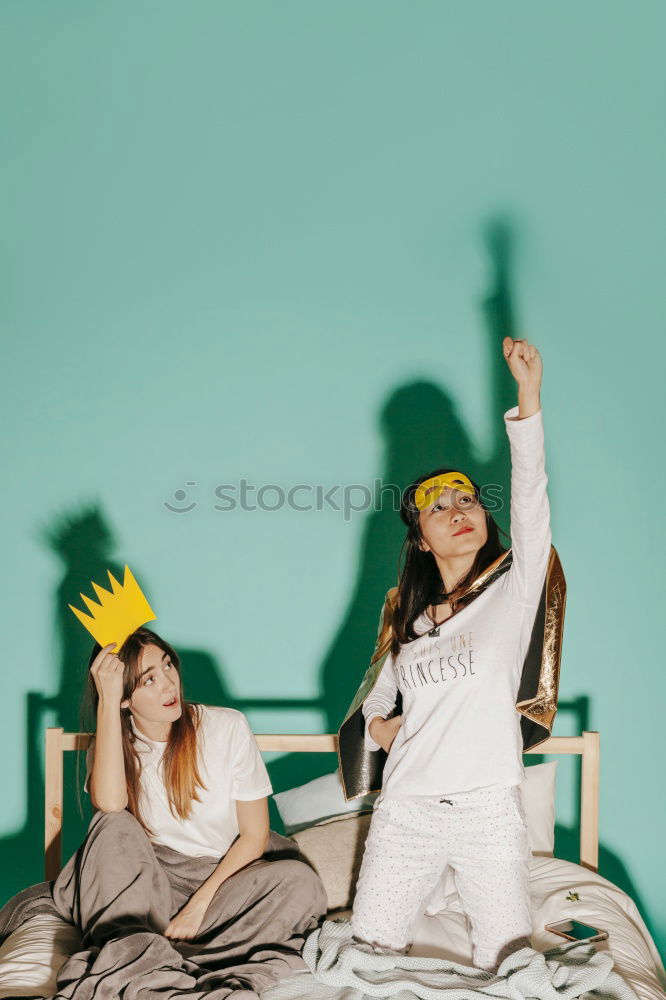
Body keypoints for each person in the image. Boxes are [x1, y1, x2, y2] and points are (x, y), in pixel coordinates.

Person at [343, 336, 564, 972]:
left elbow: (530, 497)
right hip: (406, 811)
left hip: (488, 809)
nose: (457, 511)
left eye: (466, 499)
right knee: (367, 960)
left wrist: (528, 398)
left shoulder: (514, 592)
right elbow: (377, 698)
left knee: (509, 962)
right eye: (438, 508)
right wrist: (386, 729)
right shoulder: (407, 620)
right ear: (420, 539)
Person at [0, 626, 327, 999]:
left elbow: (254, 835)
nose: (168, 685)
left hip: (220, 883)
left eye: (168, 665)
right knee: (112, 826)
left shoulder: (226, 726)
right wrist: (107, 702)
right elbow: (109, 807)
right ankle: (145, 955)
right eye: (148, 680)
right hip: (143, 888)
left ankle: (147, 957)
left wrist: (197, 907)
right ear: (125, 699)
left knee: (299, 881)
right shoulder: (110, 743)